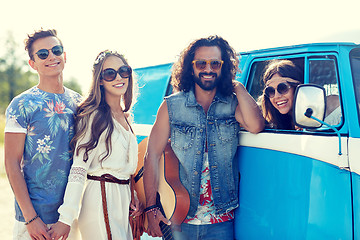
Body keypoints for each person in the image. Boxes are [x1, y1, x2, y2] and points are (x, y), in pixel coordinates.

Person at [143, 35, 265, 240]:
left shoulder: (232, 104)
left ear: (223, 67)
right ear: (191, 67)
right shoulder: (171, 106)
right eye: (201, 63)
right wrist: (150, 207)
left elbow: (255, 125)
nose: (208, 69)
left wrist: (238, 86)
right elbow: (152, 156)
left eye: (215, 63)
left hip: (221, 221)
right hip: (179, 218)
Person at [48, 50, 142, 240]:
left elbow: (126, 168)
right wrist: (66, 218)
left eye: (124, 71)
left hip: (124, 203)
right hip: (101, 200)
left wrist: (135, 196)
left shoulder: (126, 118)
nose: (119, 77)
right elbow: (79, 168)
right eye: (110, 73)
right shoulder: (93, 116)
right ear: (100, 80)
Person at [4, 29, 82, 239]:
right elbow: (11, 162)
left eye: (56, 50)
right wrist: (31, 218)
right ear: (32, 63)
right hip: (33, 220)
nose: (51, 57)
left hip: (69, 217)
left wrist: (67, 217)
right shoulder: (21, 105)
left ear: (64, 55)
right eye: (42, 54)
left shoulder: (80, 104)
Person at [259, 59, 303, 130]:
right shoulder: (265, 122)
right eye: (270, 91)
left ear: (296, 88)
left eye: (282, 88)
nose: (277, 96)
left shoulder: (316, 116)